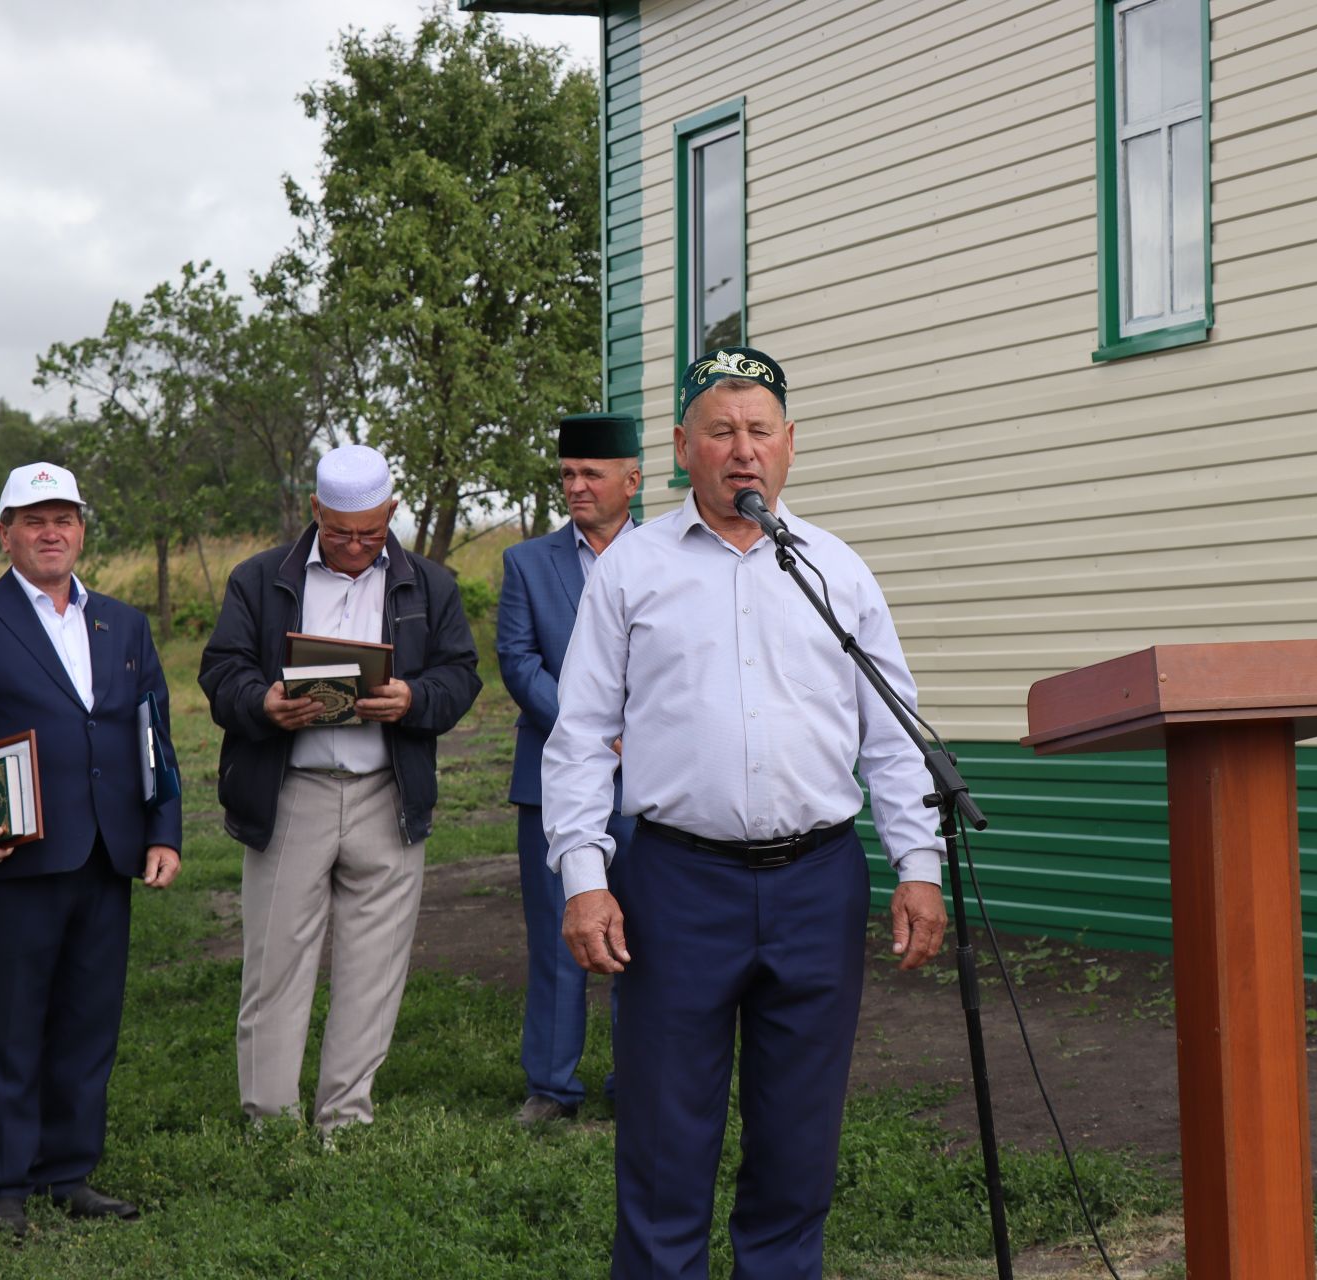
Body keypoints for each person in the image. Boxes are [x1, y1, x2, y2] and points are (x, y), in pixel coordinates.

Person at [543, 348, 949, 1279]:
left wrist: (917, 864)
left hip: (817, 885)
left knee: (799, 1143)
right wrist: (584, 879)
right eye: (720, 431)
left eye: (759, 431)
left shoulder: (837, 572)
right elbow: (579, 737)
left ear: (791, 447)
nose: (742, 451)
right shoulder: (633, 570)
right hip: (677, 885)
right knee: (662, 1139)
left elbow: (891, 736)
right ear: (683, 448)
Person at [0, 461, 182, 1240]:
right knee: (12, 1022)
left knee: (89, 1023)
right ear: (5, 533)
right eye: (33, 519)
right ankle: (3, 1182)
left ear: (82, 529)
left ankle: (68, 1172)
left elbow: (151, 733)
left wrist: (163, 830)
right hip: (10, 861)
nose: (51, 531)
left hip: (104, 857)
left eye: (64, 517)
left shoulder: (122, 623)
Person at [198, 444, 481, 1138]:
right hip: (293, 790)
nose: (356, 546)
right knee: (275, 962)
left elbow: (462, 675)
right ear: (315, 511)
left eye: (371, 532)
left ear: (391, 513)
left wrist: (413, 697)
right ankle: (268, 1118)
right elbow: (221, 668)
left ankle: (345, 1120)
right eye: (340, 532)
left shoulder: (431, 585)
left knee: (374, 966)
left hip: (389, 792)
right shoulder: (260, 580)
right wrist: (264, 703)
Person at [498, 413, 641, 1127]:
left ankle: (637, 1078)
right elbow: (519, 662)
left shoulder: (670, 558)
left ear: (632, 480)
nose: (576, 487)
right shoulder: (528, 563)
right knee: (560, 930)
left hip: (652, 781)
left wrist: (636, 735)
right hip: (554, 778)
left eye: (590, 474)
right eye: (567, 476)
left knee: (643, 932)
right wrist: (592, 728)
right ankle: (551, 1088)